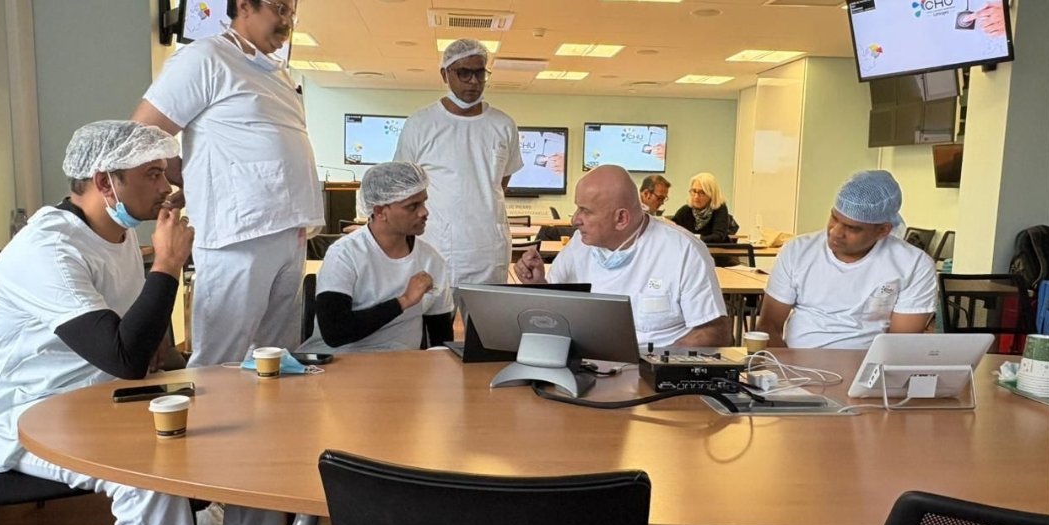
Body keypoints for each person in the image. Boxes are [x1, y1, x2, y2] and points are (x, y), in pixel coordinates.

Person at [0, 121, 263, 525]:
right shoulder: (48, 250)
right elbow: (125, 356)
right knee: (144, 482)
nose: (168, 187)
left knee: (243, 410)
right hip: (29, 416)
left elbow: (141, 346)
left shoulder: (120, 234)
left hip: (101, 400)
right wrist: (168, 264)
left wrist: (194, 371)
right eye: (152, 174)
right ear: (105, 182)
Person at [132, 0, 324, 368]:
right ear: (244, 5)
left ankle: (270, 412)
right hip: (239, 233)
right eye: (280, 9)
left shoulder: (278, 73)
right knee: (223, 356)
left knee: (276, 354)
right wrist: (183, 175)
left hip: (289, 229)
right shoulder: (206, 57)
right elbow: (144, 131)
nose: (287, 22)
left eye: (292, 13)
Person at [514, 165, 730, 347]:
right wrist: (538, 285)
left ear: (621, 219)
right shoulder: (579, 245)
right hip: (587, 365)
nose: (574, 220)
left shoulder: (684, 251)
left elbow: (715, 333)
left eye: (585, 210)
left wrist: (650, 365)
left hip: (652, 375)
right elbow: (554, 313)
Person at [757, 170, 938, 350]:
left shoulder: (914, 266)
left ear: (883, 230)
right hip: (797, 363)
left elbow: (899, 346)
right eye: (834, 218)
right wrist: (783, 366)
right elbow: (768, 327)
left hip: (868, 363)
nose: (835, 232)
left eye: (852, 228)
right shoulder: (797, 251)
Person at [393, 39, 520, 288]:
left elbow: (500, 183)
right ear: (445, 74)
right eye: (464, 73)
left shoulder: (503, 125)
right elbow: (404, 188)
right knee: (434, 311)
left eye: (479, 73)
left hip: (489, 248)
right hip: (436, 245)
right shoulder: (420, 124)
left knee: (486, 313)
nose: (473, 81)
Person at [305, 162, 454, 353]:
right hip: (342, 361)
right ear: (379, 211)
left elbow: (441, 338)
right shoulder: (344, 254)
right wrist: (404, 301)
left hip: (404, 364)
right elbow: (335, 332)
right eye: (412, 206)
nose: (424, 212)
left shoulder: (431, 260)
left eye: (423, 202)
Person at [671, 172, 735, 242]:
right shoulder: (685, 210)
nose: (696, 196)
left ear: (711, 194)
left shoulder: (719, 209)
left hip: (713, 248)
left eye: (702, 192)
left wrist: (693, 238)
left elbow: (718, 237)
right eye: (694, 191)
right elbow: (672, 231)